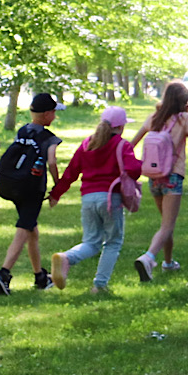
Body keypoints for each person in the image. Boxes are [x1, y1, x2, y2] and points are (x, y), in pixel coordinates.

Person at [48, 106, 142, 294]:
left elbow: (71, 172)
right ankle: (99, 285)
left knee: (91, 242)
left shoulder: (87, 144)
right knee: (113, 242)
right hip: (110, 199)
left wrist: (56, 193)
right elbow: (134, 170)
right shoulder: (122, 145)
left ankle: (66, 257)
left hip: (88, 198)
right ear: (121, 127)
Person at [129, 81, 188, 281]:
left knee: (166, 223)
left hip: (154, 177)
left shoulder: (154, 118)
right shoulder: (185, 120)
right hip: (173, 177)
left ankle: (168, 263)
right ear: (184, 101)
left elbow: (131, 144)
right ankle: (148, 258)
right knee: (167, 225)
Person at [0, 93, 63, 295]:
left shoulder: (23, 131)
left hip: (15, 184)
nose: (55, 116)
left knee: (32, 231)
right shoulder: (49, 138)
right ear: (47, 114)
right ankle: (3, 273)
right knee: (24, 228)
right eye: (54, 112)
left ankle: (40, 276)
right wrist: (57, 186)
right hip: (33, 189)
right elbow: (52, 161)